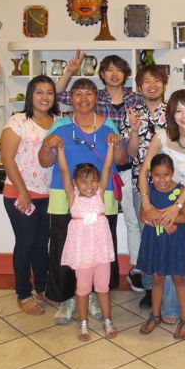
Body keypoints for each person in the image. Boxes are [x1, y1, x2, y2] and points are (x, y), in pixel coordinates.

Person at [39, 78, 127, 325]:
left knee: (101, 250)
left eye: (89, 94)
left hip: (101, 197)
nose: (83, 99)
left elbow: (120, 160)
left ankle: (97, 296)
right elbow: (45, 161)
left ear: (96, 98)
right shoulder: (60, 125)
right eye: (78, 94)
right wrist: (47, 145)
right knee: (64, 249)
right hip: (64, 195)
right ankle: (67, 298)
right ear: (71, 98)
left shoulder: (108, 124)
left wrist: (117, 142)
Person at [56, 52, 144, 291]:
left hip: (129, 168)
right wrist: (69, 71)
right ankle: (90, 278)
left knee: (133, 221)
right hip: (103, 174)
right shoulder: (95, 96)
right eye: (109, 70)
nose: (114, 74)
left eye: (119, 69)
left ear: (125, 74)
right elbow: (58, 96)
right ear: (102, 74)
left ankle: (137, 268)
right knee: (100, 220)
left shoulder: (136, 98)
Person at [138, 90, 185, 328]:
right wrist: (147, 203)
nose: (184, 116)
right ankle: (169, 308)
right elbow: (144, 171)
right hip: (159, 205)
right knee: (167, 253)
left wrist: (177, 206)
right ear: (171, 113)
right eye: (179, 111)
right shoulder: (161, 137)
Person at [0, 75, 59, 315]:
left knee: (42, 245)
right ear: (30, 95)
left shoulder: (58, 121)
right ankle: (23, 293)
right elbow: (7, 158)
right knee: (25, 243)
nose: (45, 97)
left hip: (48, 194)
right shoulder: (18, 121)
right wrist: (23, 192)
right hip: (20, 193)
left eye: (50, 92)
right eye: (39, 92)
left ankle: (42, 289)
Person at [55, 136, 120, 341]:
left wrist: (111, 145)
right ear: (75, 183)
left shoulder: (100, 194)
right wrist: (60, 151)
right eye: (84, 181)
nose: (90, 185)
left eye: (93, 180)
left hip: (101, 251)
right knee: (82, 288)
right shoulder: (72, 197)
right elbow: (64, 170)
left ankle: (107, 320)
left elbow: (107, 167)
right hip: (82, 252)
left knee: (103, 287)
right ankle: (83, 323)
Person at [121, 64, 168, 307]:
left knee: (170, 234)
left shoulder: (174, 111)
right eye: (147, 81)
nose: (152, 85)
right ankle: (150, 288)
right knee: (148, 235)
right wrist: (134, 131)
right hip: (142, 185)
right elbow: (131, 153)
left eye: (157, 80)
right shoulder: (132, 113)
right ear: (139, 87)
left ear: (164, 84)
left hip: (170, 184)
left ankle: (170, 288)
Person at [137, 153, 185, 339]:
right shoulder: (148, 192)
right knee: (157, 279)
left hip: (175, 242)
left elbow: (183, 217)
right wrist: (164, 222)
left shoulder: (180, 191)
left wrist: (159, 216)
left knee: (178, 279)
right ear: (151, 174)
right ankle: (155, 315)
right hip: (155, 241)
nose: (162, 180)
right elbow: (143, 216)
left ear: (173, 173)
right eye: (157, 175)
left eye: (166, 175)